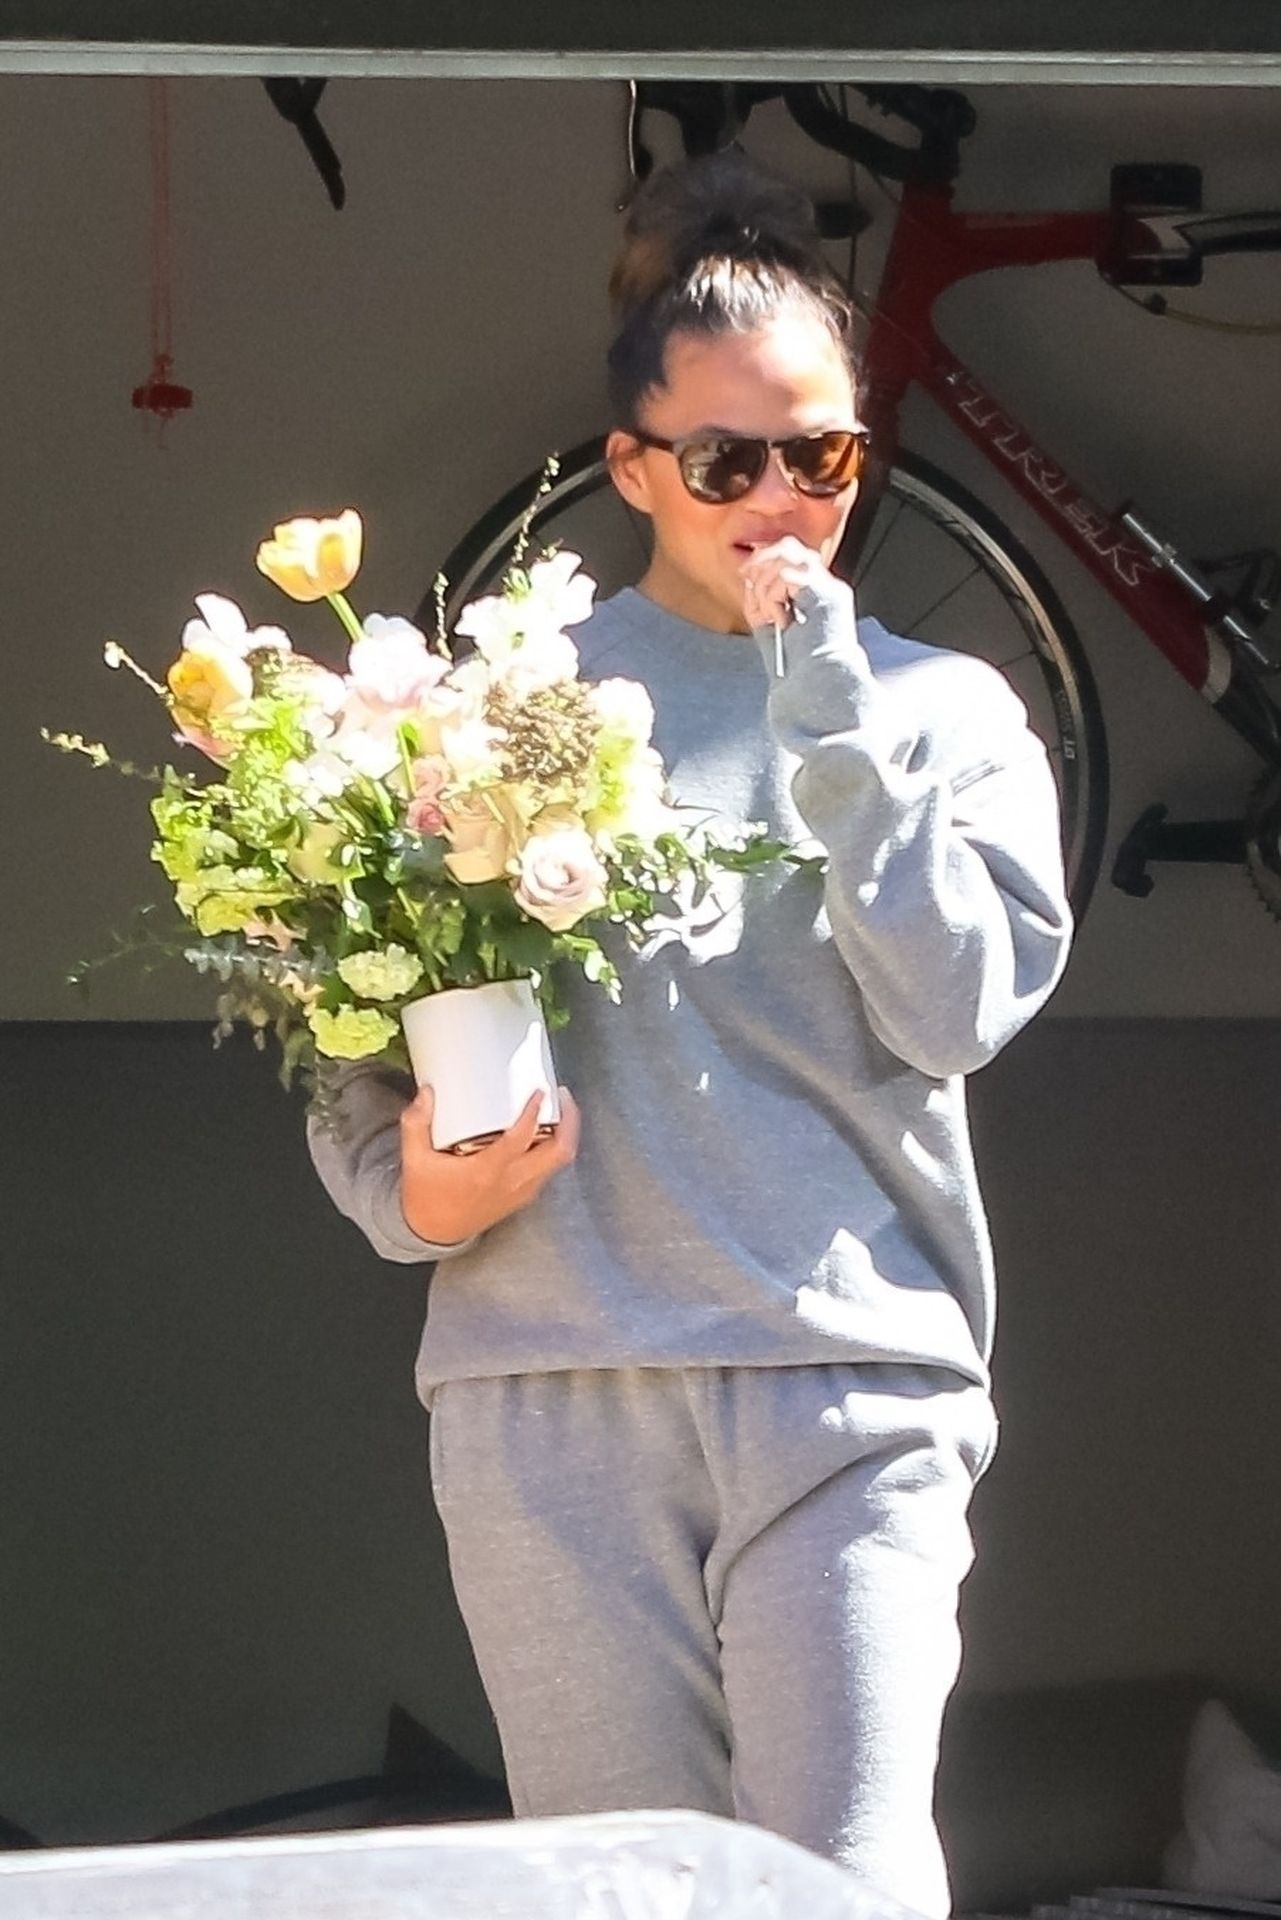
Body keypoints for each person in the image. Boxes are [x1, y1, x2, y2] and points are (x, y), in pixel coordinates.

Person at [307, 146, 1074, 1917]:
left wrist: (832, 719)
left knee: (841, 1885)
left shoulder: (947, 713)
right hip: (550, 1384)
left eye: (823, 458)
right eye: (727, 463)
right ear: (634, 468)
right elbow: (356, 1041)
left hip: (846, 1383)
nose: (781, 501)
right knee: (616, 1894)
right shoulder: (506, 705)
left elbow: (953, 1010)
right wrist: (409, 1199)